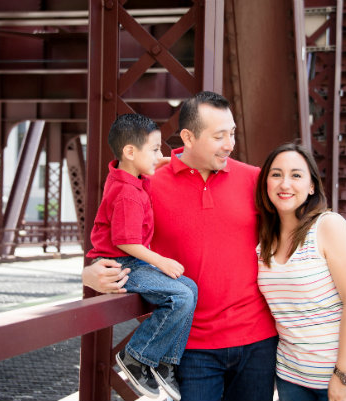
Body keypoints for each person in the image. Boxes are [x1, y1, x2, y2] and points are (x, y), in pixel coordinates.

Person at [83, 91, 278, 401]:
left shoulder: (255, 180)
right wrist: (90, 273)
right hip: (190, 348)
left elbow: (302, 238)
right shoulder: (146, 182)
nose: (230, 143)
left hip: (257, 342)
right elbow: (112, 236)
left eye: (232, 133)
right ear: (188, 136)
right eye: (219, 136)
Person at [86, 113, 198, 401]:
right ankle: (137, 356)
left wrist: (158, 160)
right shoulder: (127, 193)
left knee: (191, 288)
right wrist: (161, 261)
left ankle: (166, 362)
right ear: (130, 152)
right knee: (182, 296)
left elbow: (148, 163)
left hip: (132, 262)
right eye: (155, 148)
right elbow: (126, 242)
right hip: (124, 264)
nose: (159, 155)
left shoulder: (130, 177)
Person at [255, 142, 346, 401]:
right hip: (291, 377)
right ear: (265, 184)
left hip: (344, 372)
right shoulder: (263, 241)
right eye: (276, 175)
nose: (285, 184)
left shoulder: (328, 226)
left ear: (311, 187)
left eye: (296, 175)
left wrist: (343, 375)